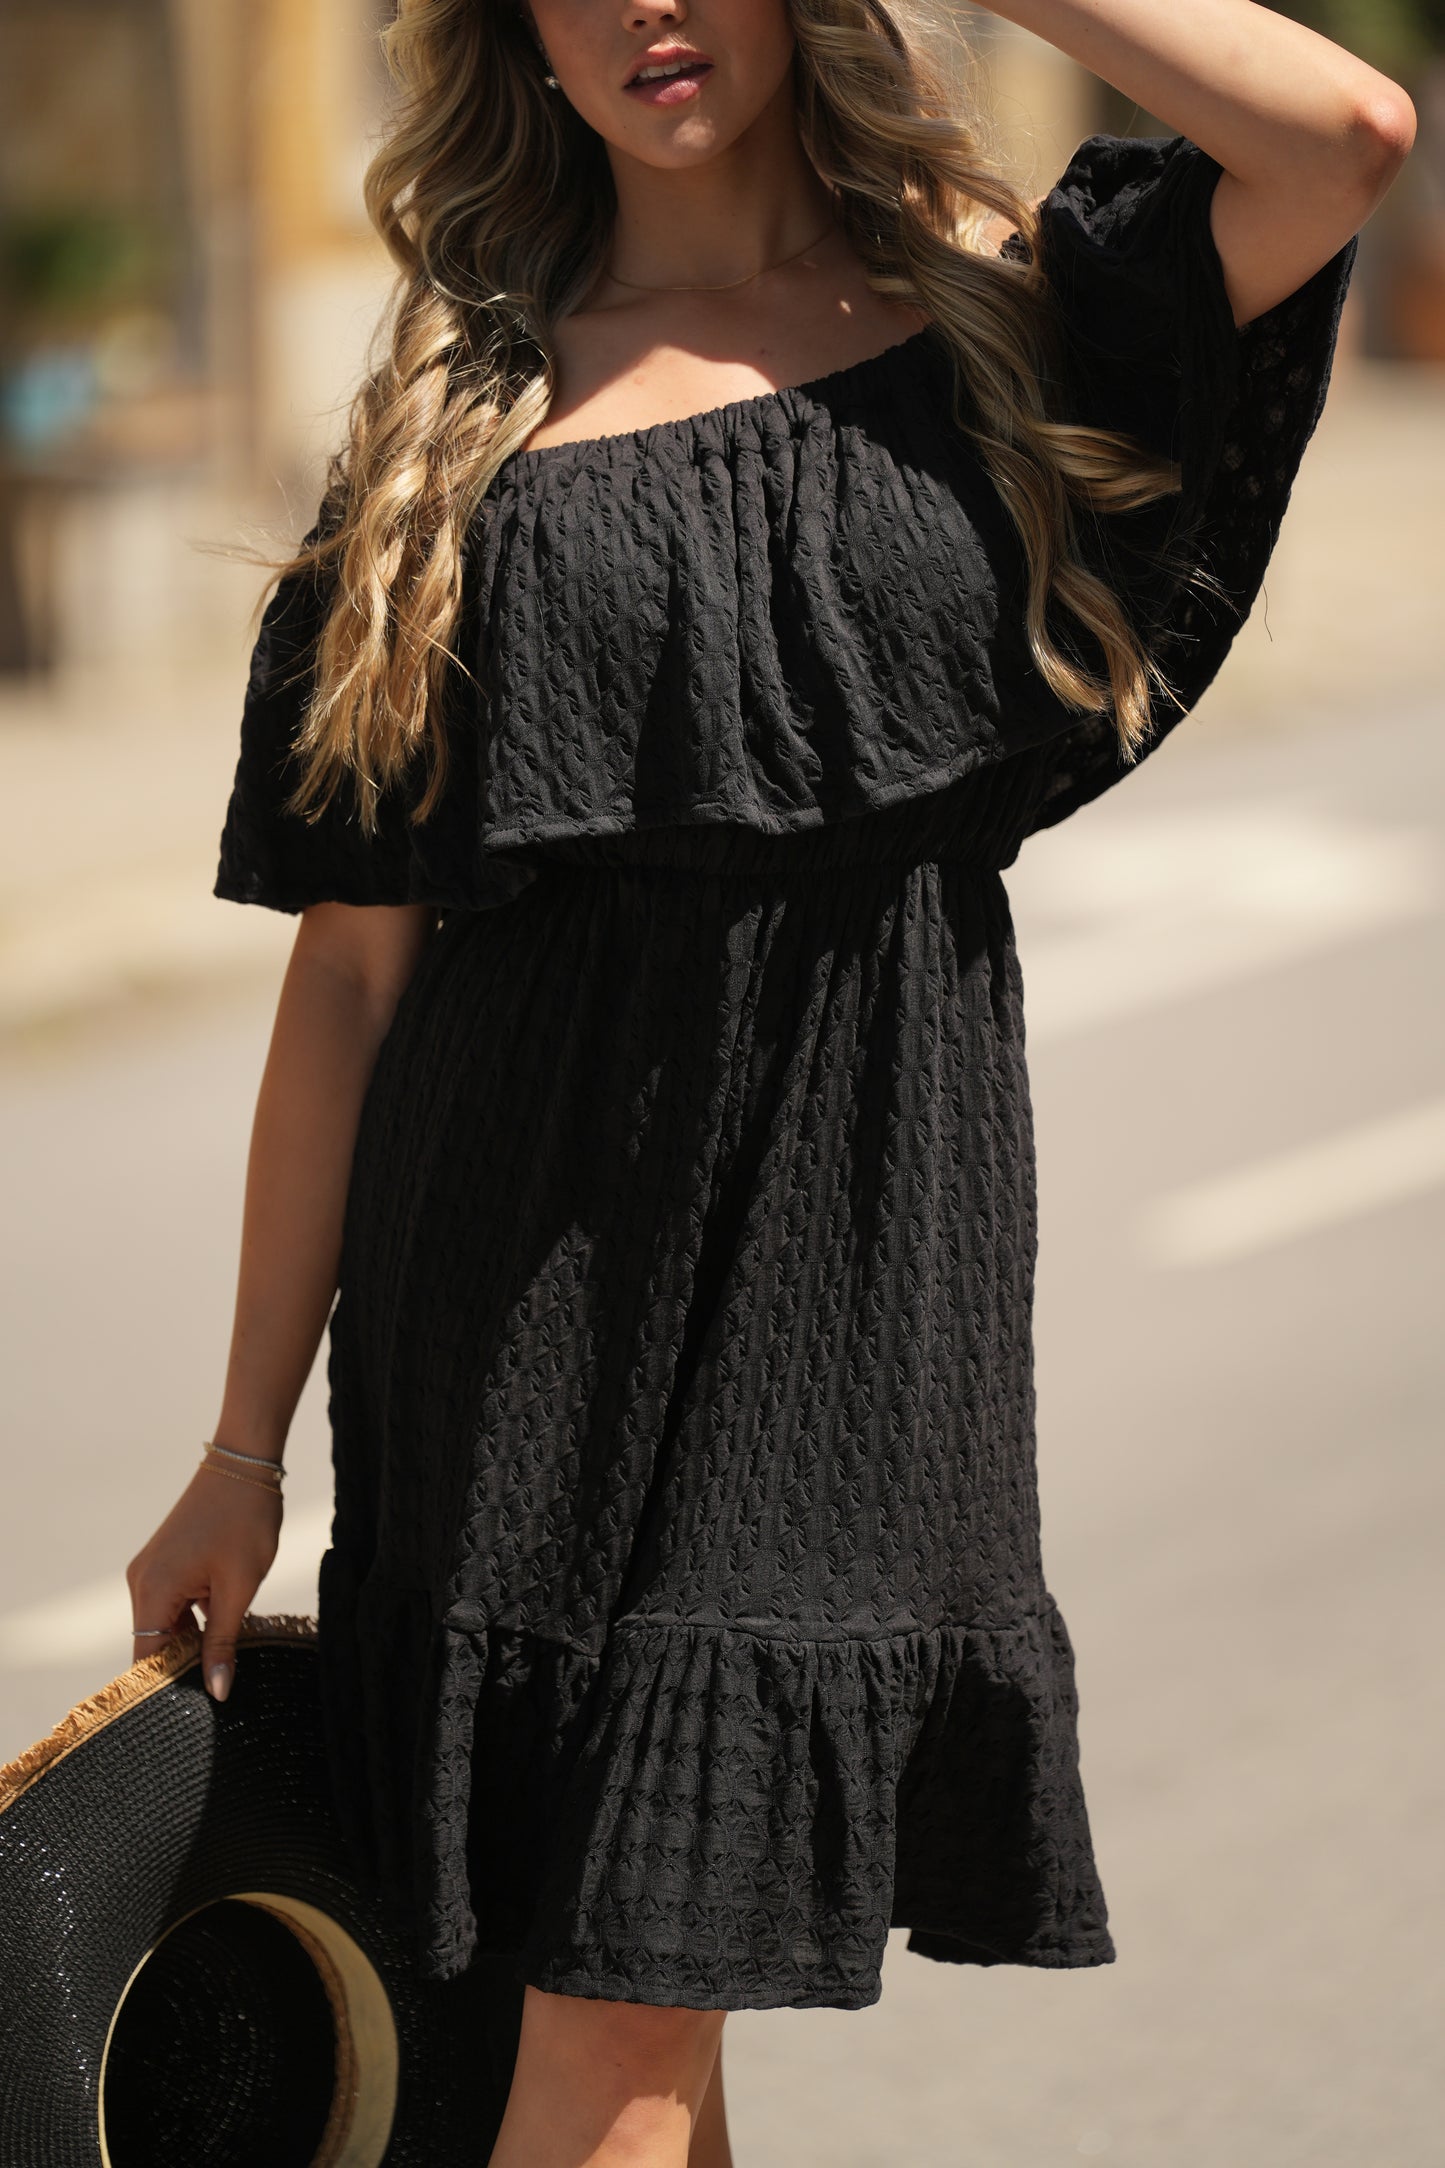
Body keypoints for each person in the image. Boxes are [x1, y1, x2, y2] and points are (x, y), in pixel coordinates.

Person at [123, 1, 1411, 2161]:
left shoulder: (998, 327)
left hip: (854, 1314)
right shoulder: (459, 421)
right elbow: (350, 980)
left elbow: (1342, 131)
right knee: (617, 2051)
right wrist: (242, 1450)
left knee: (618, 2039)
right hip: (504, 1342)